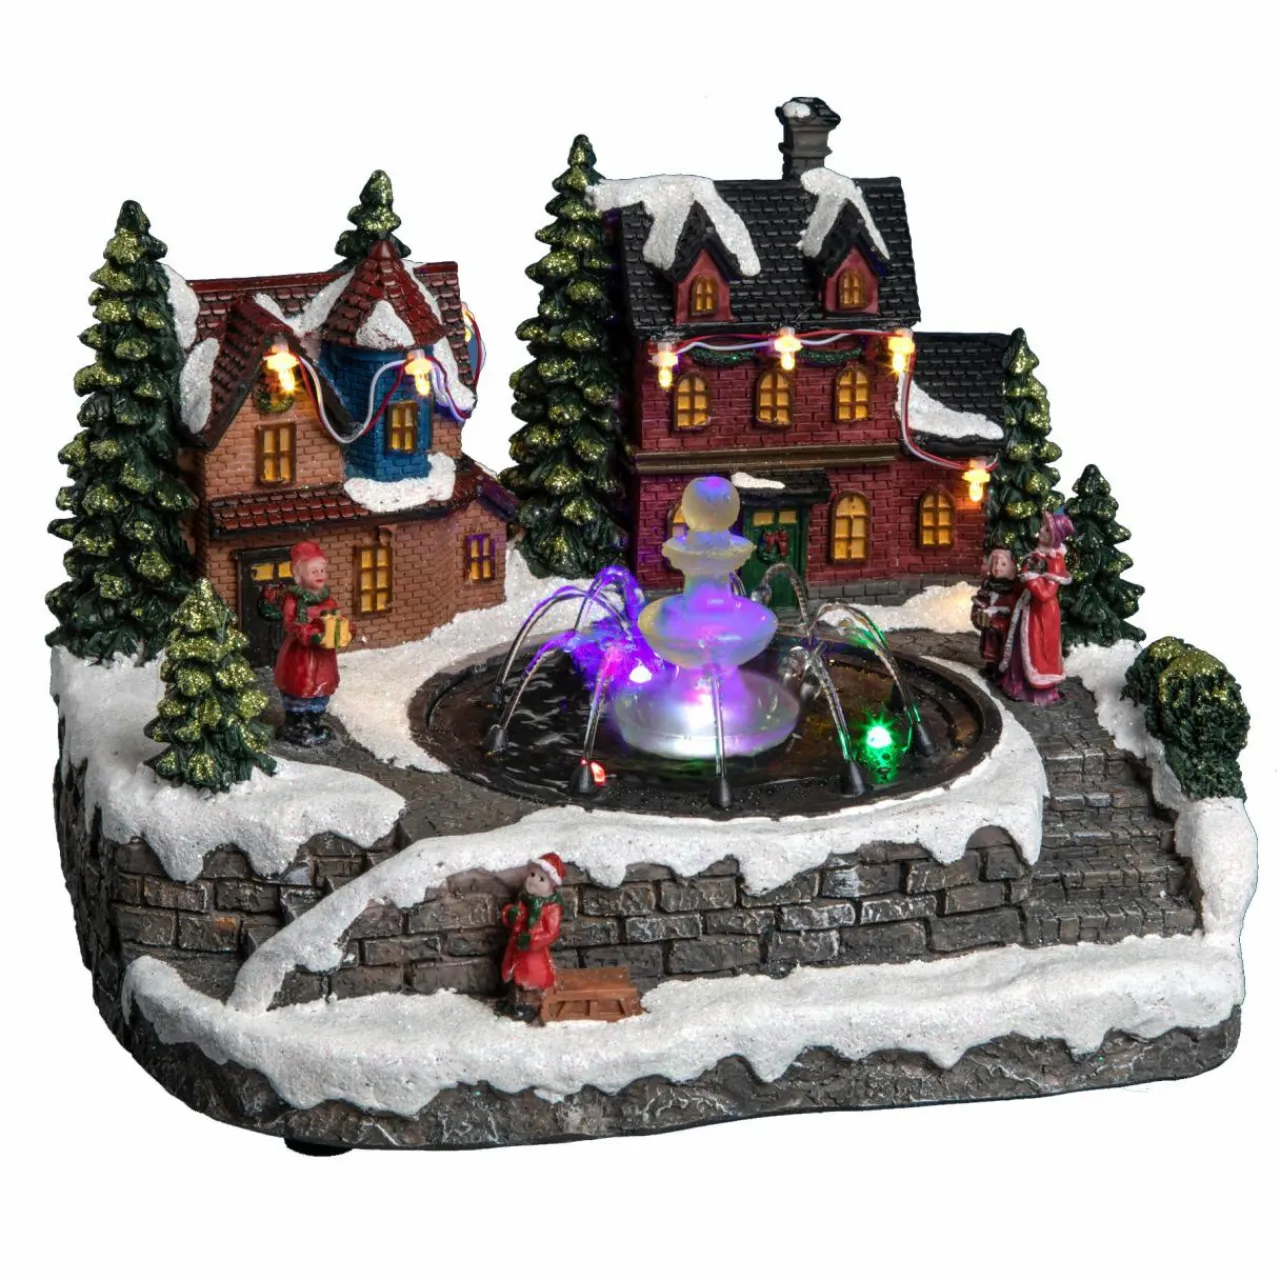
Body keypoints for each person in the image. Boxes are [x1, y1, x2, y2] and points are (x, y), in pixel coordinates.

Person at [272, 541, 351, 746]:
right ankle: (295, 725)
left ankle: (313, 723)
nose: (320, 574)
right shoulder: (294, 600)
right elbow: (292, 624)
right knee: (299, 688)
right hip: (301, 656)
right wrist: (311, 634)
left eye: (322, 570)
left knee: (320, 689)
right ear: (299, 576)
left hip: (323, 657)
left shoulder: (328, 600)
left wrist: (346, 630)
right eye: (314, 571)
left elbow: (337, 618)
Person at [998, 510, 1074, 705]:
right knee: (1020, 646)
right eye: (1042, 527)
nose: (1041, 531)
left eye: (1047, 530)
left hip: (1042, 613)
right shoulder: (1037, 555)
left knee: (1036, 650)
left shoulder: (1055, 561)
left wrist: (1031, 578)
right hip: (1028, 608)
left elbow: (1046, 593)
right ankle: (1015, 684)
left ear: (1056, 537)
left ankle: (1035, 691)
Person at [498, 854, 565, 1021]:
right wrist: (510, 914)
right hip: (515, 947)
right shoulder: (524, 899)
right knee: (514, 976)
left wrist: (531, 940)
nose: (534, 881)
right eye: (532, 874)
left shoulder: (551, 908)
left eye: (541, 879)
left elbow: (551, 932)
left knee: (531, 979)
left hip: (533, 954)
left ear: (552, 885)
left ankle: (529, 1007)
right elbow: (514, 916)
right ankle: (513, 1002)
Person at [971, 547, 1019, 673]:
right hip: (989, 622)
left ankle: (1000, 667)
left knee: (999, 645)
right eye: (994, 563)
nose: (997, 567)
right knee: (988, 642)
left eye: (1003, 564)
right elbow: (983, 599)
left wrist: (997, 611)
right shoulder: (988, 584)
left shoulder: (1012, 587)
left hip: (1002, 625)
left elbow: (1012, 607)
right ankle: (990, 664)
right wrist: (980, 605)